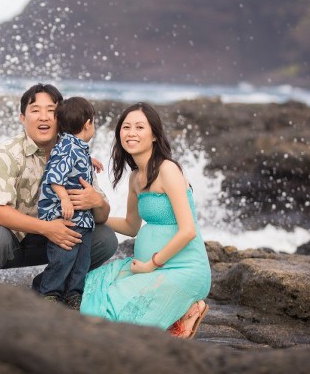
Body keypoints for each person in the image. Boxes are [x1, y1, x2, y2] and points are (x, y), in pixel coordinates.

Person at [80, 102, 212, 339]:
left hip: (182, 270)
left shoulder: (167, 170)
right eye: (126, 127)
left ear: (154, 135)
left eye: (140, 127)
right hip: (148, 268)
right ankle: (181, 313)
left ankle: (189, 307)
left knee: (117, 318)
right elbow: (131, 227)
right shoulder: (135, 178)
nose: (131, 133)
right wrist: (93, 212)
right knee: (94, 286)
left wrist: (153, 263)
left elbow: (188, 231)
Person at [0, 83, 117, 286]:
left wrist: (97, 202)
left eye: (51, 111)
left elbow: (102, 216)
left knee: (105, 238)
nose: (44, 117)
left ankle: (47, 290)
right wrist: (46, 228)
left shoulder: (77, 153)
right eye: (35, 110)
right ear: (23, 118)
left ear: (61, 118)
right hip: (9, 238)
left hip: (52, 242)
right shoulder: (6, 152)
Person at [37, 97, 97, 309]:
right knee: (63, 257)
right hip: (65, 217)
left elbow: (70, 165)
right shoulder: (67, 148)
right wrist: (64, 199)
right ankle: (50, 292)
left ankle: (73, 294)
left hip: (82, 218)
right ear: (88, 124)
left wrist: (89, 161)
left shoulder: (76, 148)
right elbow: (54, 175)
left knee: (82, 261)